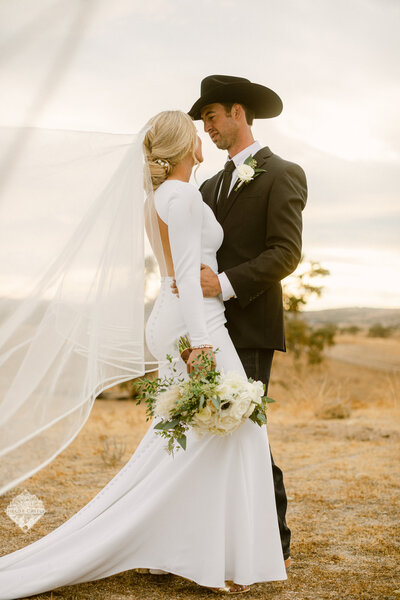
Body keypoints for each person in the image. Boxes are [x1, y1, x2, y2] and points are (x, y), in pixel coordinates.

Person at [0, 110, 287, 598]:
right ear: (182, 147)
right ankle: (174, 545)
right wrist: (200, 344)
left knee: (191, 437)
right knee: (232, 429)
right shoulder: (184, 199)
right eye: (194, 130)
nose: (203, 135)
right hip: (193, 325)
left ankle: (177, 546)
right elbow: (189, 282)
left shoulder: (160, 197)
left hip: (173, 319)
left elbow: (177, 275)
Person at [172, 74, 308, 565]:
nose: (206, 128)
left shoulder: (283, 172)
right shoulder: (207, 185)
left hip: (249, 323)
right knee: (216, 432)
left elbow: (286, 253)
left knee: (248, 431)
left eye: (210, 117)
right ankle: (221, 540)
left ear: (237, 112)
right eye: (203, 120)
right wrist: (188, 295)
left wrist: (222, 284)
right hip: (206, 326)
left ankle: (275, 543)